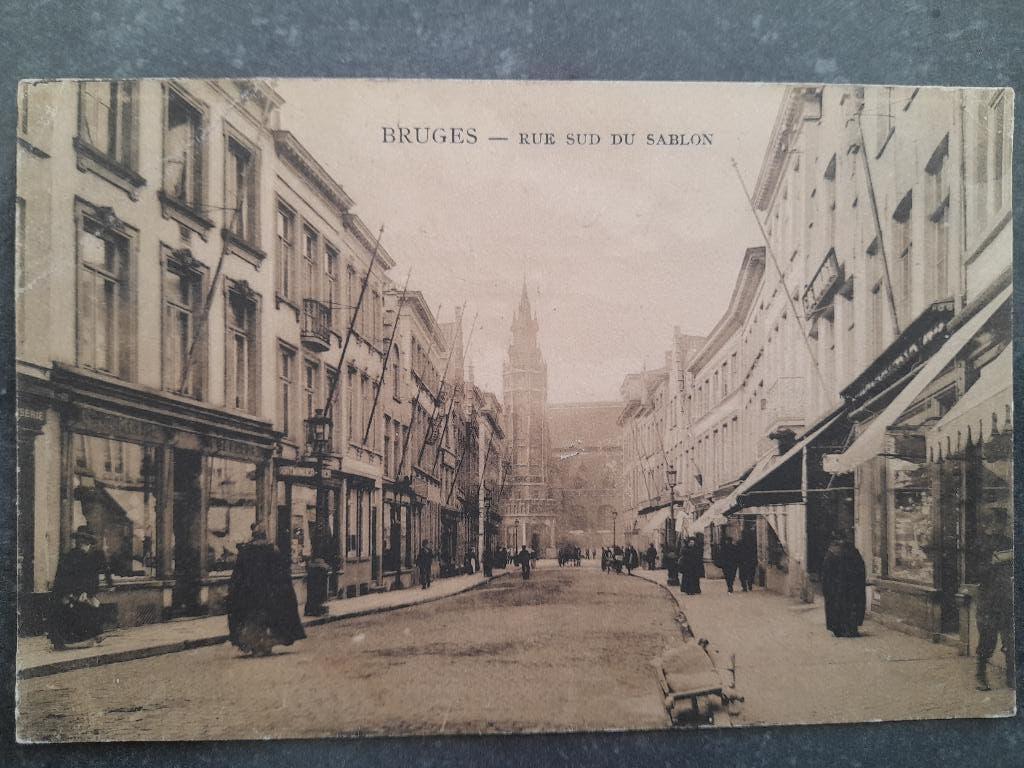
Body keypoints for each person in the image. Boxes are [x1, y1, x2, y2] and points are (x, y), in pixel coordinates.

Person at [226, 522, 306, 657]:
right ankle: (266, 644)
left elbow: (238, 574)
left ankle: (256, 645)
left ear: (254, 535)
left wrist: (234, 590)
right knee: (270, 619)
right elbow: (281, 573)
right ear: (264, 535)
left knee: (252, 619)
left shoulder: (246, 551)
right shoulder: (272, 549)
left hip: (250, 592)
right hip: (270, 592)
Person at [49, 525, 112, 649]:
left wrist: (87, 592)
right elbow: (62, 579)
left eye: (85, 542)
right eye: (80, 541)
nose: (82, 544)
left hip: (81, 595)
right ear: (77, 541)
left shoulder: (92, 558)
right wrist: (69, 594)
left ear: (89, 543)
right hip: (68, 595)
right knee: (74, 614)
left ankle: (89, 638)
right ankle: (73, 641)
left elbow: (93, 580)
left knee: (92, 609)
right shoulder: (70, 557)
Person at [974, 511, 1014, 691]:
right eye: (999, 522)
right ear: (990, 523)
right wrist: (993, 562)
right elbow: (976, 572)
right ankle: (980, 675)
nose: (1002, 526)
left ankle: (1011, 677)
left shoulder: (1008, 542)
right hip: (988, 600)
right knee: (988, 640)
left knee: (1011, 640)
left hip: (1007, 598)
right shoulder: (980, 543)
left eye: (1004, 522)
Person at [820, 535, 867, 638]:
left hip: (835, 589)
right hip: (852, 588)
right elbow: (861, 570)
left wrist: (826, 589)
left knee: (836, 607)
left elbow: (826, 574)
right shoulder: (854, 552)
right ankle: (851, 629)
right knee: (851, 607)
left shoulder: (831, 553)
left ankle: (837, 629)